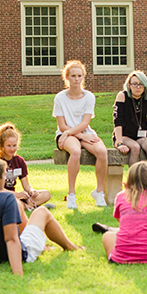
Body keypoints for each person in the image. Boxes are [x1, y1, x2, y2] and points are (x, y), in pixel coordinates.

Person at [54, 59, 108, 209]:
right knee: (76, 152)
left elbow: (85, 123)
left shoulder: (89, 96)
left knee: (102, 152)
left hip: (83, 133)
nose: (76, 79)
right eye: (73, 76)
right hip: (65, 134)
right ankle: (71, 195)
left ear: (83, 77)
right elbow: (62, 126)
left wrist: (82, 135)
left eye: (79, 76)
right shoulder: (60, 98)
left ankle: (99, 192)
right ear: (67, 78)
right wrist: (76, 135)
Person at [112, 70, 147, 175]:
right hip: (124, 136)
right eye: (135, 84)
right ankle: (135, 183)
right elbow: (117, 121)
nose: (138, 87)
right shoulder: (122, 96)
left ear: (145, 86)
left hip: (141, 136)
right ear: (129, 85)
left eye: (141, 84)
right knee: (135, 147)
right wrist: (119, 143)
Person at [0, 122, 52, 210]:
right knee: (10, 200)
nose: (12, 149)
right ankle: (27, 206)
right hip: (1, 195)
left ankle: (26, 205)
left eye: (14, 145)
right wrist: (16, 194)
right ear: (2, 145)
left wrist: (31, 191)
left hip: (15, 196)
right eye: (9, 146)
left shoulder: (19, 161)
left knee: (46, 194)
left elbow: (26, 185)